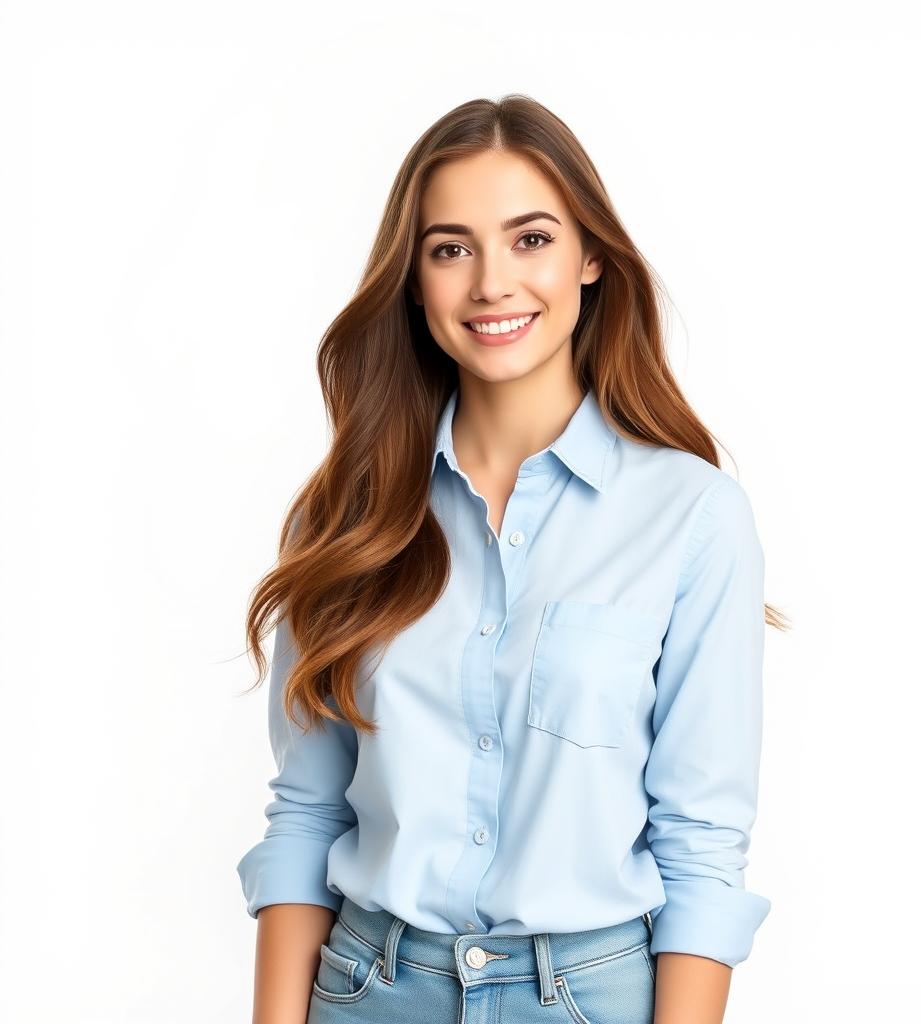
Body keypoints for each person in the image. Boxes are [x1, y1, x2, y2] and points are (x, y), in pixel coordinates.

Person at [236, 93, 788, 1024]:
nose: (492, 282)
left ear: (590, 258)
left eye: (530, 238)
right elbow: (307, 814)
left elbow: (700, 845)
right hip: (368, 992)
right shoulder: (347, 517)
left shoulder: (693, 516)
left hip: (590, 999)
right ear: (414, 280)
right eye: (451, 248)